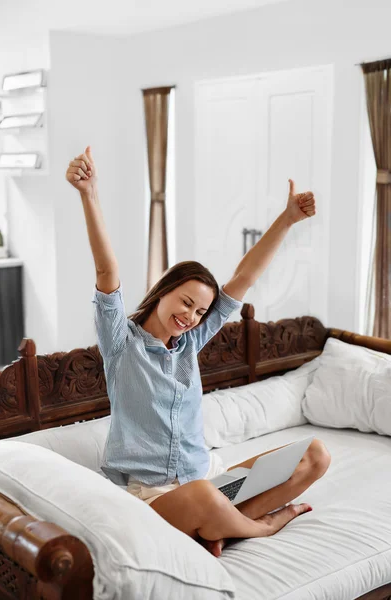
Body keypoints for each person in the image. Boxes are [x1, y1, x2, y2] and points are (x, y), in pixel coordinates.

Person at [66, 146, 331, 557]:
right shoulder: (122, 344)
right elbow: (107, 271)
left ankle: (219, 528)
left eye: (201, 311)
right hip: (151, 499)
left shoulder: (189, 343)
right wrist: (89, 194)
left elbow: (244, 277)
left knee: (314, 456)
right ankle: (260, 527)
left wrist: (288, 219)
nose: (192, 316)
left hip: (206, 482)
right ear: (164, 292)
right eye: (186, 302)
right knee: (203, 499)